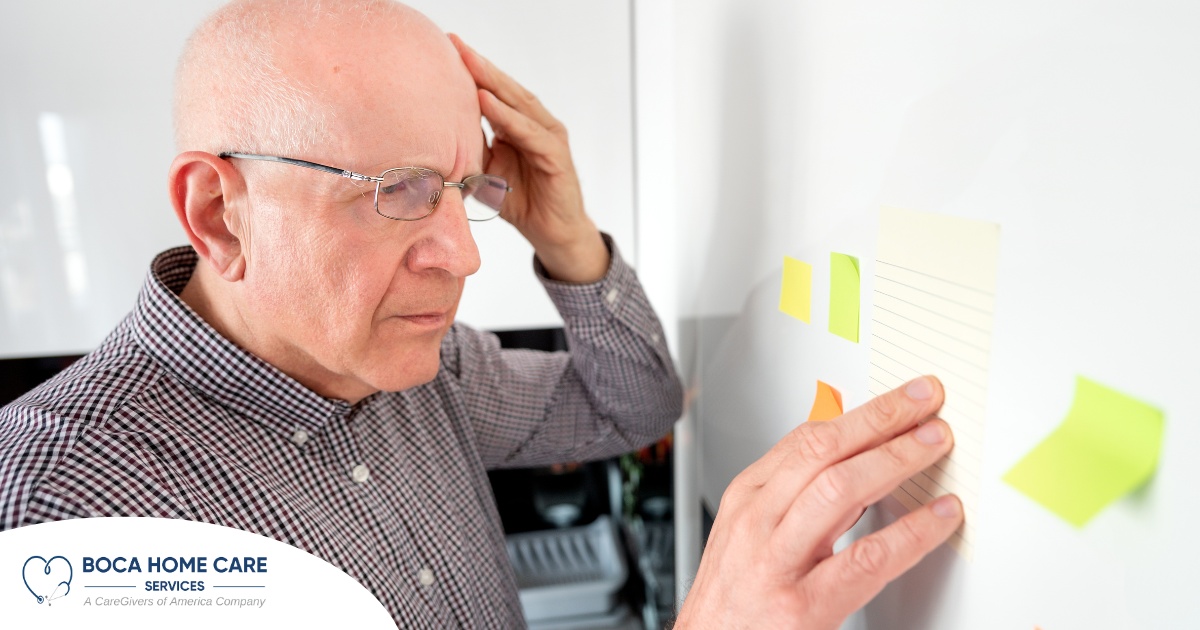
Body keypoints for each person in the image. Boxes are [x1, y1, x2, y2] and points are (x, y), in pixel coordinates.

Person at [0, 1, 962, 628]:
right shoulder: (60, 512)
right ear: (220, 214)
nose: (462, 253)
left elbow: (632, 406)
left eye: (465, 189)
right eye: (402, 190)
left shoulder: (422, 371)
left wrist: (568, 236)